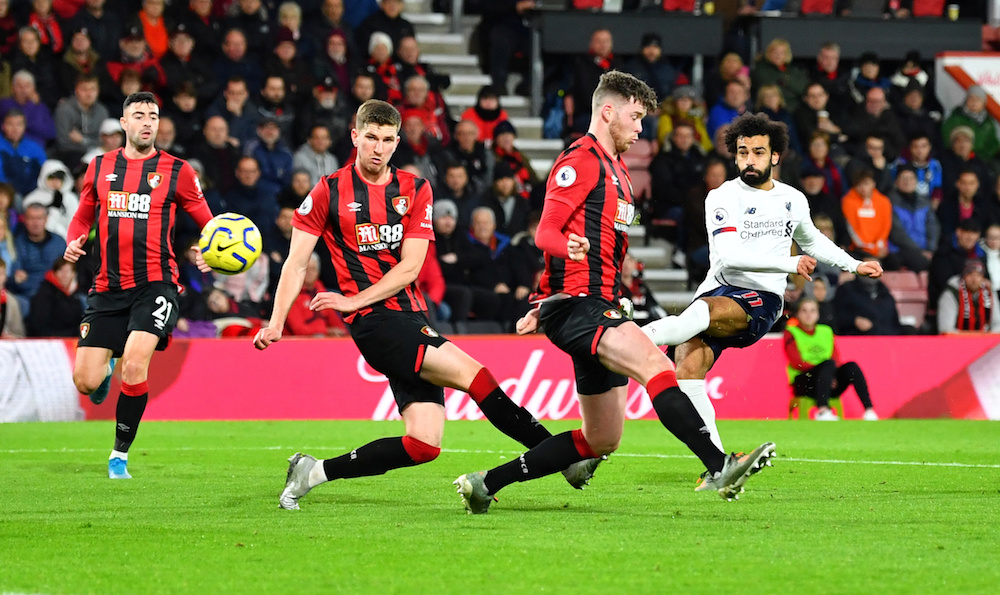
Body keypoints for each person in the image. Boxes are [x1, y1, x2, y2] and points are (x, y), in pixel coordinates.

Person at [454, 72, 777, 516]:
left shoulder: (620, 172)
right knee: (655, 363)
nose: (640, 128)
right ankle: (719, 465)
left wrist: (540, 299)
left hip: (593, 305)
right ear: (608, 112)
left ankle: (485, 484)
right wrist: (561, 258)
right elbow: (546, 231)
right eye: (635, 116)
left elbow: (603, 245)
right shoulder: (580, 161)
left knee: (601, 439)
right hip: (580, 308)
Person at [254, 100, 598, 510]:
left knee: (423, 444)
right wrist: (277, 322)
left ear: (397, 142)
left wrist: (351, 299)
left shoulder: (416, 189)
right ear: (354, 137)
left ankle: (313, 472)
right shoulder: (326, 192)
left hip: (409, 314)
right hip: (375, 322)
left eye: (386, 140)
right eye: (370, 138)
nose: (377, 148)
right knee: (478, 377)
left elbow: (411, 266)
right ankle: (563, 459)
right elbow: (295, 263)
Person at [641, 112, 882, 472]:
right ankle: (720, 465)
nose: (748, 160)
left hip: (760, 300)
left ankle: (630, 338)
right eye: (742, 152)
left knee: (699, 315)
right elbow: (731, 255)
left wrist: (854, 264)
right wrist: (790, 263)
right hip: (718, 290)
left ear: (775, 156)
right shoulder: (721, 197)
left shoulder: (792, 199)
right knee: (688, 371)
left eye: (757, 152)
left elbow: (812, 239)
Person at [62, 91, 215, 480]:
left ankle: (119, 455)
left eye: (153, 116)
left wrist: (206, 250)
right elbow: (81, 218)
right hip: (107, 288)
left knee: (135, 363)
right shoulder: (99, 167)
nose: (148, 122)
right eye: (139, 115)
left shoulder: (178, 170)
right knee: (85, 381)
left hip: (156, 285)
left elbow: (208, 222)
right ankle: (106, 365)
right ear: (124, 123)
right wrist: (74, 239)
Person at [785, 298, 878, 421]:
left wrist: (828, 377)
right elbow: (797, 362)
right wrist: (824, 374)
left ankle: (869, 410)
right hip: (804, 382)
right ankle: (823, 411)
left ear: (818, 314)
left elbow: (835, 357)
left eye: (812, 311)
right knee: (828, 365)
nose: (808, 314)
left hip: (828, 382)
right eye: (804, 311)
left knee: (851, 367)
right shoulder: (791, 332)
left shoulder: (826, 331)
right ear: (798, 314)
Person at [937, 259, 999, 334]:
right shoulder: (951, 294)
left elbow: (997, 324)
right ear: (963, 277)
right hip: (957, 342)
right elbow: (946, 330)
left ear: (983, 278)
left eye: (978, 275)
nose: (974, 279)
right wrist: (978, 336)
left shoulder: (989, 292)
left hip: (985, 340)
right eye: (970, 274)